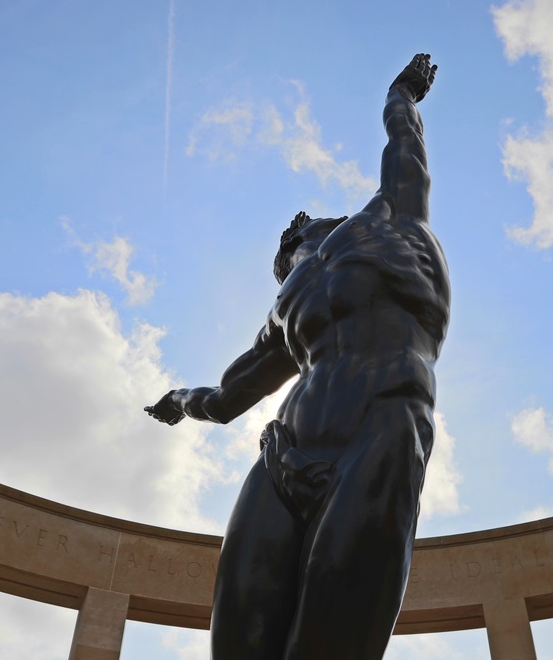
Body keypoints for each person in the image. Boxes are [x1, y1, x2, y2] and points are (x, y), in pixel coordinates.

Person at [145, 53, 448, 659]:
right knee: (237, 643)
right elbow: (227, 399)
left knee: (330, 644)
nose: (295, 245)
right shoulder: (287, 310)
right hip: (285, 453)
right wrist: (180, 400)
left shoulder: (393, 221)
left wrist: (401, 93)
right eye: (287, 255)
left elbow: (404, 144)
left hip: (380, 431)